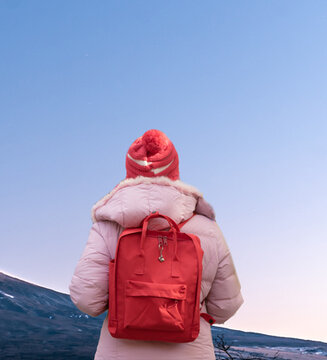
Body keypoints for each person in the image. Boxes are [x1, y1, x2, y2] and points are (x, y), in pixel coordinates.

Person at [70, 129, 243, 359]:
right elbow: (225, 307)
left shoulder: (107, 226)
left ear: (130, 172)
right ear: (174, 169)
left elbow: (88, 301)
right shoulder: (207, 229)